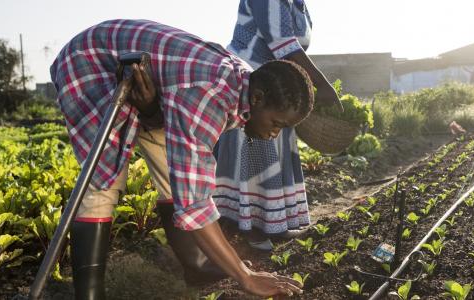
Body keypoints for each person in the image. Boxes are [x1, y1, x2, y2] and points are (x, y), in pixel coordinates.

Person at [50, 19, 307, 299]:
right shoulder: (209, 95)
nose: (274, 134)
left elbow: (186, 177)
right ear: (257, 99)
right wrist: (245, 276)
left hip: (148, 81)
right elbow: (195, 202)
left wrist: (150, 111)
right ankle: (89, 294)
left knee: (172, 169)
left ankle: (197, 266)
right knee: (102, 180)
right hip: (89, 63)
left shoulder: (246, 82)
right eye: (277, 124)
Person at [213, 0, 340, 251]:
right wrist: (322, 85)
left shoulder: (298, 5)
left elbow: (295, 49)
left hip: (280, 88)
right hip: (253, 84)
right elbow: (284, 44)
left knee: (273, 152)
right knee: (256, 151)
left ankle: (272, 223)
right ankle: (250, 228)